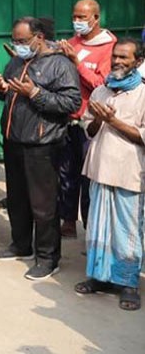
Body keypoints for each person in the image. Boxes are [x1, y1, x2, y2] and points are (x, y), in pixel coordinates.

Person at [0, 17, 81, 281]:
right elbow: (12, 94)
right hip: (14, 139)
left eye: (22, 40)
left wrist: (35, 93)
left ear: (39, 37)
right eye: (14, 40)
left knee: (43, 205)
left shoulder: (60, 64)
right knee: (17, 198)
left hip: (42, 143)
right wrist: (2, 88)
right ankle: (21, 245)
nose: (17, 45)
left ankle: (48, 258)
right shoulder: (17, 62)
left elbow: (71, 102)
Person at [75, 39, 145, 311]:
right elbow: (89, 132)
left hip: (129, 172)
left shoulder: (142, 93)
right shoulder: (100, 91)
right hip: (99, 168)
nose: (117, 61)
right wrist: (99, 119)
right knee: (98, 226)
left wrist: (113, 121)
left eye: (124, 57)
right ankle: (99, 277)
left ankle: (128, 283)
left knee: (127, 230)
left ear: (138, 62)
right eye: (115, 56)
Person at [55, 0, 115, 238]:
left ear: (96, 18)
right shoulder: (73, 43)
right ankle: (68, 220)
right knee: (66, 173)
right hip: (68, 119)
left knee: (89, 177)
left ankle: (91, 226)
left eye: (82, 17)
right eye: (74, 17)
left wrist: (76, 63)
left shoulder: (109, 47)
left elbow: (102, 84)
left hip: (91, 123)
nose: (77, 21)